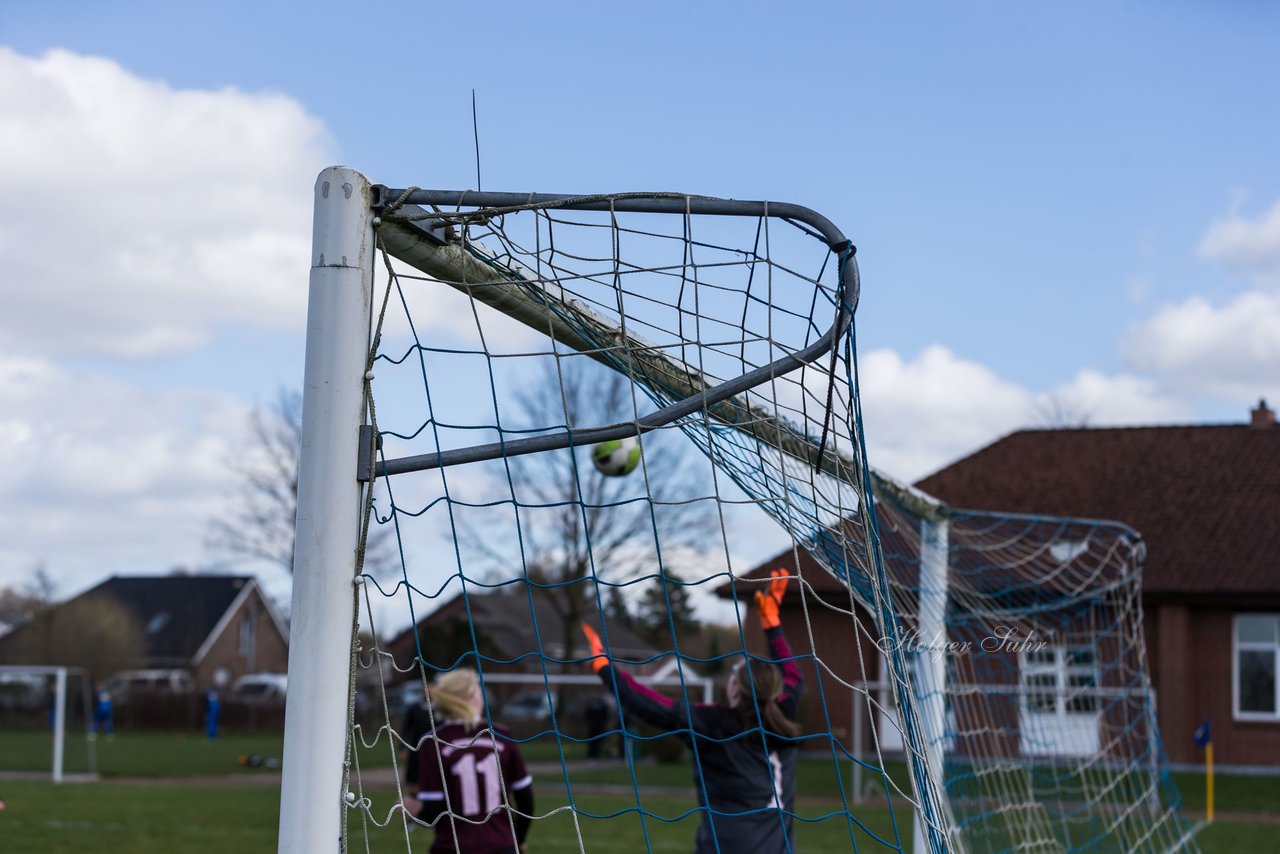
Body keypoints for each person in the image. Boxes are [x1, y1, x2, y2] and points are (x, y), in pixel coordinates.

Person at [582, 569, 802, 854]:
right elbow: (794, 677)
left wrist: (604, 668)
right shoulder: (785, 714)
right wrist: (773, 626)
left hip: (724, 847)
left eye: (733, 675)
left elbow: (646, 702)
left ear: (735, 690)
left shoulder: (711, 723)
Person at [404, 668, 534, 854]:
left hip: (454, 847)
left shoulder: (432, 742)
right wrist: (518, 840)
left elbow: (433, 813)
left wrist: (414, 808)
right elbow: (526, 800)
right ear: (470, 697)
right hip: (502, 847)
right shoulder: (501, 735)